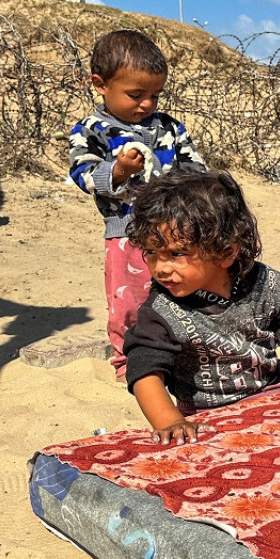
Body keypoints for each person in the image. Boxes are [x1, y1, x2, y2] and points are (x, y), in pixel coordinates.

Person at [123, 171, 280, 444]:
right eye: (152, 254)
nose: (160, 268)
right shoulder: (162, 308)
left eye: (176, 254)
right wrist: (170, 422)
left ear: (226, 251)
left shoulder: (268, 284)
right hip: (207, 417)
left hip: (274, 396)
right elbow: (145, 369)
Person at [68, 30, 206, 380]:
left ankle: (181, 353)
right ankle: (129, 363)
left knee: (180, 293)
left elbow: (195, 169)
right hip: (127, 235)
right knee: (128, 304)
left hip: (177, 234)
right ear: (100, 84)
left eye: (154, 95)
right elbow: (81, 172)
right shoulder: (92, 130)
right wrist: (117, 171)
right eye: (136, 94)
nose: (146, 104)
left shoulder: (170, 129)